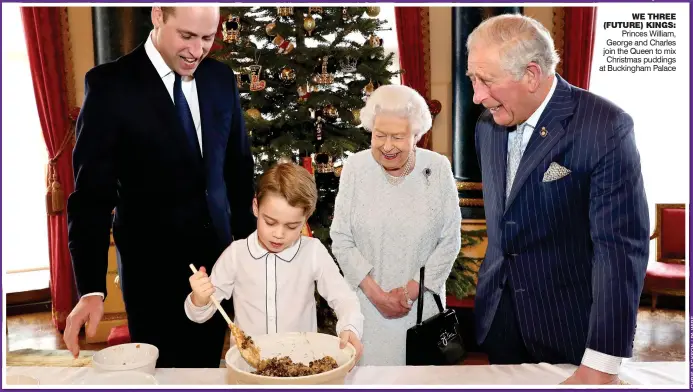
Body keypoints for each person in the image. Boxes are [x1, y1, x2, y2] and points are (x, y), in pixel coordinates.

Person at [64, 6, 256, 368]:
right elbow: (91, 198)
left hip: (219, 266)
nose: (197, 51)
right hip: (152, 277)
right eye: (186, 36)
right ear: (157, 16)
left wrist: (248, 254)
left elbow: (237, 173)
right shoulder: (110, 86)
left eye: (207, 38)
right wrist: (91, 288)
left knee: (208, 371)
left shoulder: (220, 78)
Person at [467, 14, 649, 384]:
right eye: (472, 79)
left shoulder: (605, 127)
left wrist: (601, 364)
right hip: (500, 319)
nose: (477, 96)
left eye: (485, 81)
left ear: (531, 75)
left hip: (570, 329)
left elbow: (619, 250)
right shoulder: (487, 126)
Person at [330, 84, 462, 365]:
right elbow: (340, 237)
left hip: (421, 311)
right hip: (365, 307)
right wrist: (376, 295)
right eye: (379, 136)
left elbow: (450, 240)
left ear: (417, 136)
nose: (387, 146)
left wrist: (408, 291)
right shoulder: (355, 167)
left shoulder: (438, 168)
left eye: (398, 137)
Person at [185, 163, 364, 362]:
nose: (278, 234)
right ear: (255, 207)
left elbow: (344, 298)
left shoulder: (312, 252)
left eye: (291, 226)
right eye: (270, 222)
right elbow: (199, 315)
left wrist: (350, 327)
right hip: (248, 367)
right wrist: (199, 299)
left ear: (306, 218)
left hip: (300, 366)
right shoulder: (236, 255)